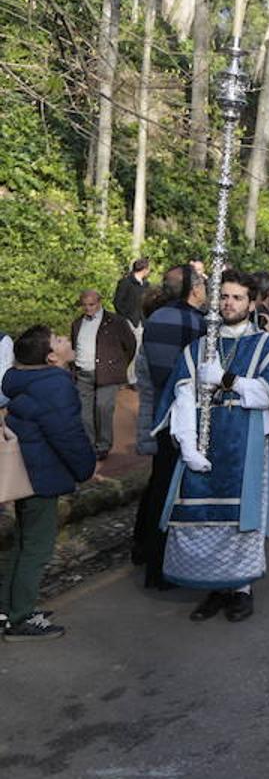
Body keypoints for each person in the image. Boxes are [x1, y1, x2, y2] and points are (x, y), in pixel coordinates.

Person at [150, 271, 269, 622]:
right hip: (204, 444)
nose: (229, 304)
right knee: (203, 518)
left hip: (246, 441)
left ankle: (241, 590)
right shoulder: (198, 349)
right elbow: (182, 397)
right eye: (224, 297)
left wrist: (226, 380)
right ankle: (214, 588)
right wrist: (187, 445)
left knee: (241, 519)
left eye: (237, 298)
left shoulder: (268, 346)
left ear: (251, 303)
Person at [0, 326, 96, 640]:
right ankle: (21, 618)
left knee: (22, 543)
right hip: (43, 475)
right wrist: (84, 467)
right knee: (36, 548)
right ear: (52, 357)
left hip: (26, 472)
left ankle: (8, 607)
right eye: (58, 339)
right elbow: (67, 434)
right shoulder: (55, 385)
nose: (66, 340)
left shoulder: (22, 380)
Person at [131, 266, 207, 588]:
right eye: (202, 283)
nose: (206, 289)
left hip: (161, 414)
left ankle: (143, 547)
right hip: (180, 414)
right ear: (192, 288)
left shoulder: (157, 317)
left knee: (158, 480)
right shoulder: (195, 322)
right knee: (171, 487)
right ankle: (160, 567)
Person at [69, 289, 137, 460]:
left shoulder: (116, 322)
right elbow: (74, 346)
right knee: (84, 412)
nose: (88, 308)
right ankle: (89, 446)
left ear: (99, 302)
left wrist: (118, 365)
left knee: (103, 408)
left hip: (108, 373)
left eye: (91, 304)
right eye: (84, 305)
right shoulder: (77, 323)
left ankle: (103, 445)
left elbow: (130, 344)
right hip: (83, 373)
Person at [113, 258, 151, 327]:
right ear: (144, 269)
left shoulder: (146, 285)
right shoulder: (125, 282)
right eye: (148, 269)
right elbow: (117, 303)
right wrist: (127, 318)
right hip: (128, 323)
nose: (149, 271)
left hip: (143, 323)